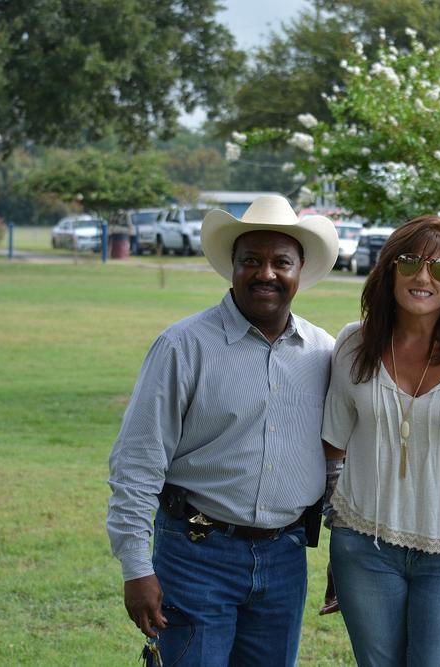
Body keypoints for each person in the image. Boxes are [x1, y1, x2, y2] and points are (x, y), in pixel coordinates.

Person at [105, 194, 339, 665]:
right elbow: (137, 461)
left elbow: (335, 463)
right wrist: (136, 567)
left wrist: (347, 551)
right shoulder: (183, 347)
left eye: (280, 262)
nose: (265, 273)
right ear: (232, 266)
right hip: (196, 556)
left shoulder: (325, 353)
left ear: (300, 270)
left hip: (285, 560)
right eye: (251, 260)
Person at [321, 215, 440, 667]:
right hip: (362, 547)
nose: (423, 277)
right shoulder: (353, 343)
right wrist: (337, 538)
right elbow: (334, 446)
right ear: (388, 269)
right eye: (409, 262)